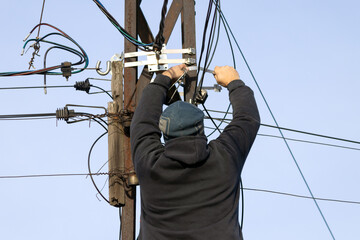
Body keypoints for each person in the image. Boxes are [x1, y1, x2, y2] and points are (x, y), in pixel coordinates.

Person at [130, 64, 260, 240]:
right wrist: (233, 81)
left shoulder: (150, 164)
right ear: (200, 128)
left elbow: (142, 122)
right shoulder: (225, 157)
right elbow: (247, 118)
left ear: (165, 134)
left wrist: (165, 77)